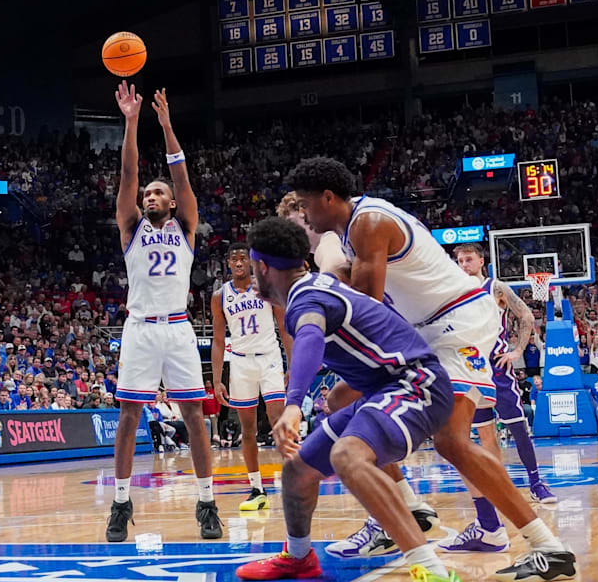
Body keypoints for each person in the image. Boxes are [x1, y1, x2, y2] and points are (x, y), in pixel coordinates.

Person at [292, 158, 576, 579]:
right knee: (349, 402)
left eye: (305, 206)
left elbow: (366, 304)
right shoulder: (356, 228)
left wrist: (324, 278)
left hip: (457, 321)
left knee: (452, 439)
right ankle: (408, 506)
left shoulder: (368, 223)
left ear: (327, 198)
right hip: (426, 330)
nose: (305, 216)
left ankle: (545, 545)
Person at [234, 217, 458, 582]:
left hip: (417, 385)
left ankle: (433, 572)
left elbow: (309, 336)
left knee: (346, 455)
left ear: (261, 267)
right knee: (298, 470)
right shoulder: (314, 285)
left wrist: (293, 403)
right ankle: (299, 557)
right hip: (386, 390)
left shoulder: (305, 299)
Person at [106, 82, 220, 542]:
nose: (150, 196)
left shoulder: (186, 226)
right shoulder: (130, 226)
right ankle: (119, 503)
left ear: (171, 202)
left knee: (194, 414)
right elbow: (128, 174)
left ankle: (207, 503)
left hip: (177, 329)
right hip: (139, 329)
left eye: (159, 193)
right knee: (129, 416)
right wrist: (132, 122)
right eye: (147, 194)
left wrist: (168, 126)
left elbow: (184, 178)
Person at [454, 243, 556, 505]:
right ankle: (499, 484)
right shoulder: (453, 290)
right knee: (485, 433)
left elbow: (525, 316)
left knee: (518, 428)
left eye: (468, 260)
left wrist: (517, 351)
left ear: (480, 261)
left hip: (497, 368)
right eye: (460, 261)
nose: (464, 265)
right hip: (471, 369)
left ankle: (536, 482)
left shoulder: (496, 287)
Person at [210, 242, 290, 511]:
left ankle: (294, 479)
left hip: (269, 359)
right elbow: (219, 340)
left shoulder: (266, 288)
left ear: (251, 262)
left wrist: (293, 364)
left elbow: (284, 327)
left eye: (243, 258)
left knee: (278, 420)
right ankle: (256, 488)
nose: (239, 263)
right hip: (240, 363)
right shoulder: (220, 296)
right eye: (234, 259)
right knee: (248, 429)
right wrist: (218, 379)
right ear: (229, 264)